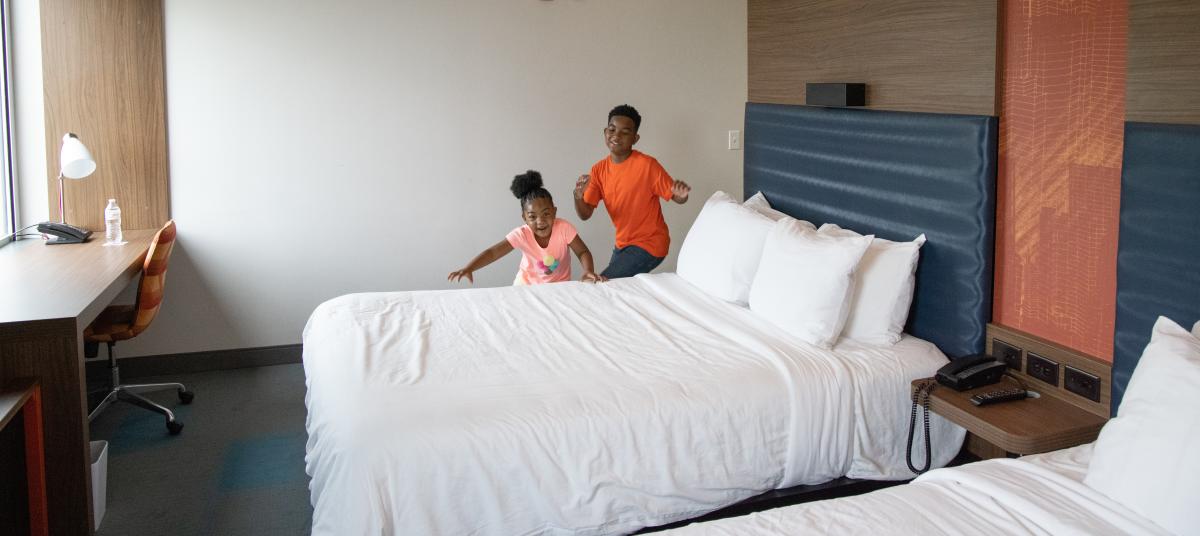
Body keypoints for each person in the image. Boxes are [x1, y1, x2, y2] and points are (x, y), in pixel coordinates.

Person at [574, 104, 691, 278]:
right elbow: (585, 214)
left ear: (635, 138)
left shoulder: (647, 165)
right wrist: (577, 196)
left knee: (604, 282)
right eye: (612, 130)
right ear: (605, 132)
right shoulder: (598, 170)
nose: (616, 136)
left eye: (625, 132)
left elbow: (676, 196)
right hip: (622, 245)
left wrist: (681, 195)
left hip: (650, 244)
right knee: (616, 288)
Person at [449, 170, 605, 285]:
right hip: (526, 284)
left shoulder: (564, 228)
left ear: (554, 211)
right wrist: (470, 268)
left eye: (546, 214)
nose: (540, 221)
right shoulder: (522, 234)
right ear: (524, 218)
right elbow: (493, 253)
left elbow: (583, 252)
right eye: (532, 217)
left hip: (560, 285)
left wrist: (588, 271)